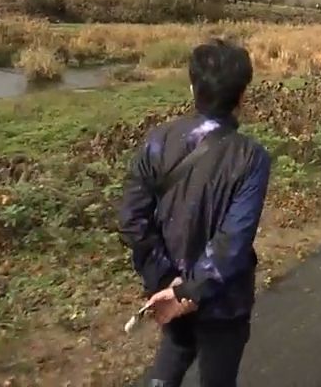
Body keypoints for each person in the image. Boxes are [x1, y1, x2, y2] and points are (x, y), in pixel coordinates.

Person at [119, 39, 272, 387]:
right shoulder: (251, 158)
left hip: (169, 293)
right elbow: (233, 241)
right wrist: (187, 290)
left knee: (169, 364)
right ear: (242, 95)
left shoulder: (158, 139)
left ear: (192, 86)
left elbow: (132, 219)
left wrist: (166, 281)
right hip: (222, 301)